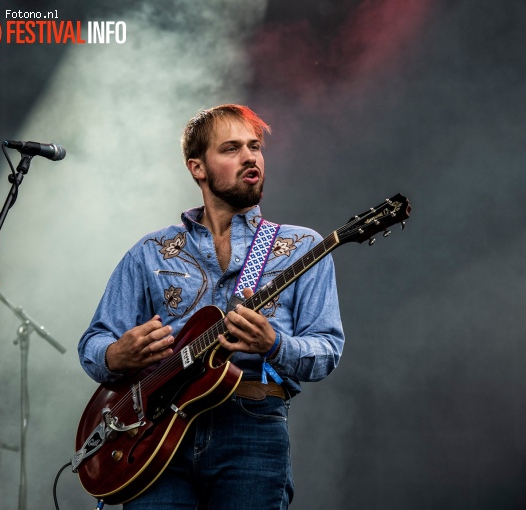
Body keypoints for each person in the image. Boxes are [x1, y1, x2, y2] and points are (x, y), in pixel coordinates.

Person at [78, 104, 345, 509]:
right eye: (232, 148)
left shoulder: (303, 247)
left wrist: (275, 344)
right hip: (153, 434)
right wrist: (116, 353)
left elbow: (327, 350)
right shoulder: (149, 253)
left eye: (255, 147)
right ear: (197, 168)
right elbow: (94, 344)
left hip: (252, 429)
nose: (250, 157)